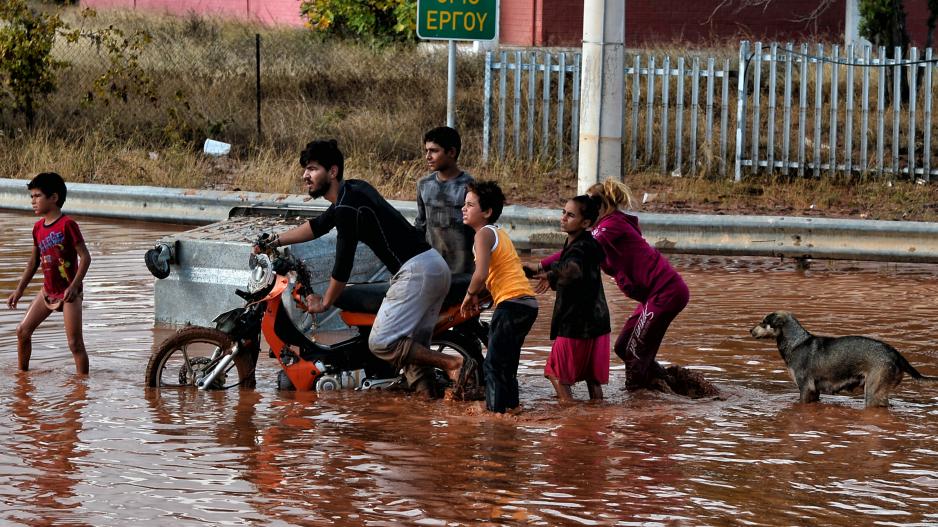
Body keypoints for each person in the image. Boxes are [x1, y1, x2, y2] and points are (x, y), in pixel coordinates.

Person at [254, 139, 476, 398]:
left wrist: (325, 303)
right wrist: (275, 241)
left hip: (416, 272)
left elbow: (343, 264)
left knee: (382, 343)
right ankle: (425, 411)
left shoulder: (348, 207)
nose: (305, 175)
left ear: (332, 171)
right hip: (432, 265)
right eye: (305, 169)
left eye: (313, 169)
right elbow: (318, 226)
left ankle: (454, 364)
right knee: (412, 352)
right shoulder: (353, 191)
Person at [539, 179, 689, 391]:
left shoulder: (610, 226)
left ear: (600, 206)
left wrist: (540, 265)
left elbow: (579, 251)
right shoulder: (608, 226)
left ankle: (638, 401)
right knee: (623, 346)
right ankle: (669, 384)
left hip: (665, 292)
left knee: (633, 351)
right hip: (654, 296)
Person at [460, 181, 538, 413]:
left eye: (470, 205)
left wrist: (469, 295)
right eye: (464, 204)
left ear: (486, 212)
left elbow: (481, 274)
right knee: (507, 365)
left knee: (493, 366)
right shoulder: (498, 233)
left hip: (511, 304)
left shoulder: (482, 234)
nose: (464, 208)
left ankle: (495, 418)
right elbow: (500, 273)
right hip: (526, 304)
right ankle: (511, 410)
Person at [527, 196, 610, 402]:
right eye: (563, 212)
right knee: (593, 380)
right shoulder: (588, 244)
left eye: (570, 215)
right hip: (598, 324)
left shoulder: (579, 248)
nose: (563, 218)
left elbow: (573, 269)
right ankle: (595, 424)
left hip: (575, 324)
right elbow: (572, 265)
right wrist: (550, 271)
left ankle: (571, 423)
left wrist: (551, 275)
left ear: (586, 223)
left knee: (555, 373)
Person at [7, 172, 91, 374]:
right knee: (22, 331)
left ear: (53, 198)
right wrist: (19, 291)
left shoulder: (67, 225)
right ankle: (22, 377)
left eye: (37, 196)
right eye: (32, 197)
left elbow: (85, 258)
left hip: (69, 293)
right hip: (47, 291)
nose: (33, 201)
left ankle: (82, 389)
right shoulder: (37, 229)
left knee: (74, 344)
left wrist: (73, 286)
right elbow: (34, 261)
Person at [414, 126, 475, 275]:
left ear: (451, 152)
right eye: (426, 150)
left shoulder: (469, 186)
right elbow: (421, 225)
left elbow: (479, 229)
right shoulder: (423, 185)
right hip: (432, 269)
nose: (428, 156)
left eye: (434, 151)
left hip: (463, 271)